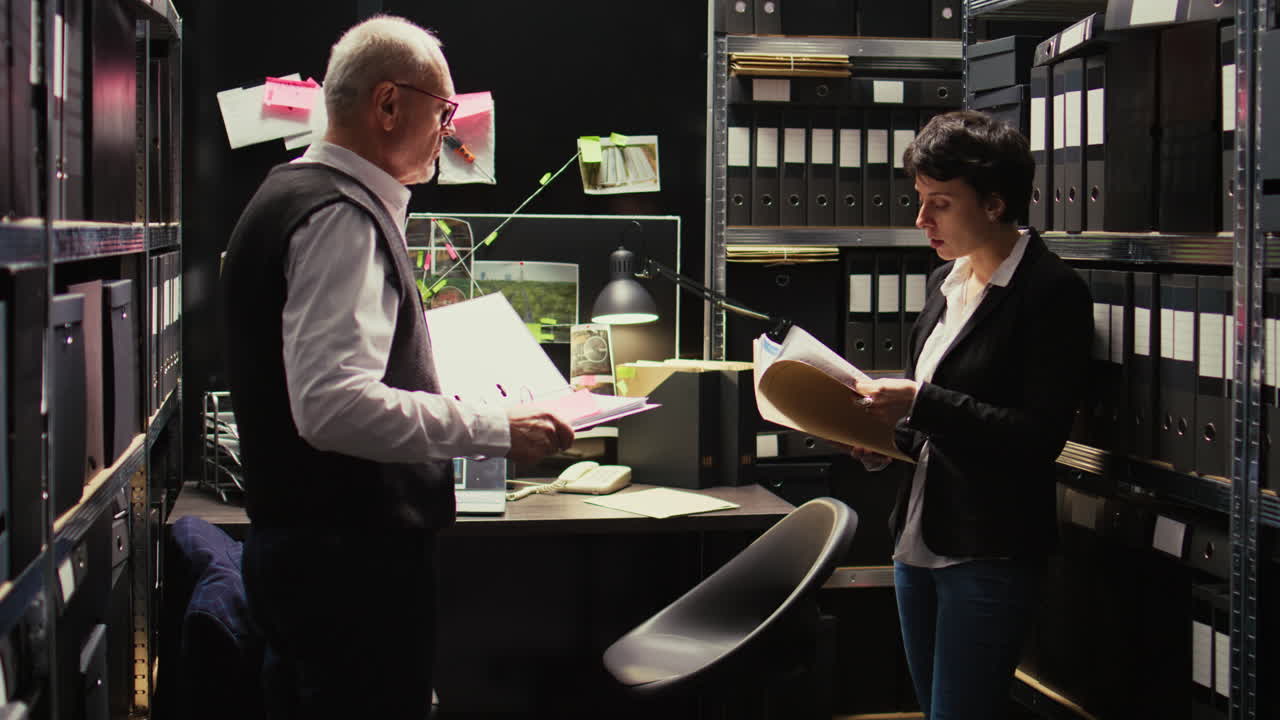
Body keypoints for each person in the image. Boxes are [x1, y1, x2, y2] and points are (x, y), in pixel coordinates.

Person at [219, 16, 574, 719]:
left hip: (308, 560)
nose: (451, 130)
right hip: (348, 569)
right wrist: (494, 426)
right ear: (387, 105)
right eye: (443, 111)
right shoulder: (341, 218)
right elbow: (334, 407)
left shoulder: (287, 193)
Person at [849, 110, 1093, 719]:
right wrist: (882, 437)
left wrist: (921, 402)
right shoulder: (943, 283)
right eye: (919, 200)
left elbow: (1039, 437)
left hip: (989, 550)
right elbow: (938, 425)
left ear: (993, 203)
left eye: (940, 204)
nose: (921, 219)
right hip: (917, 539)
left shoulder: (1051, 292)